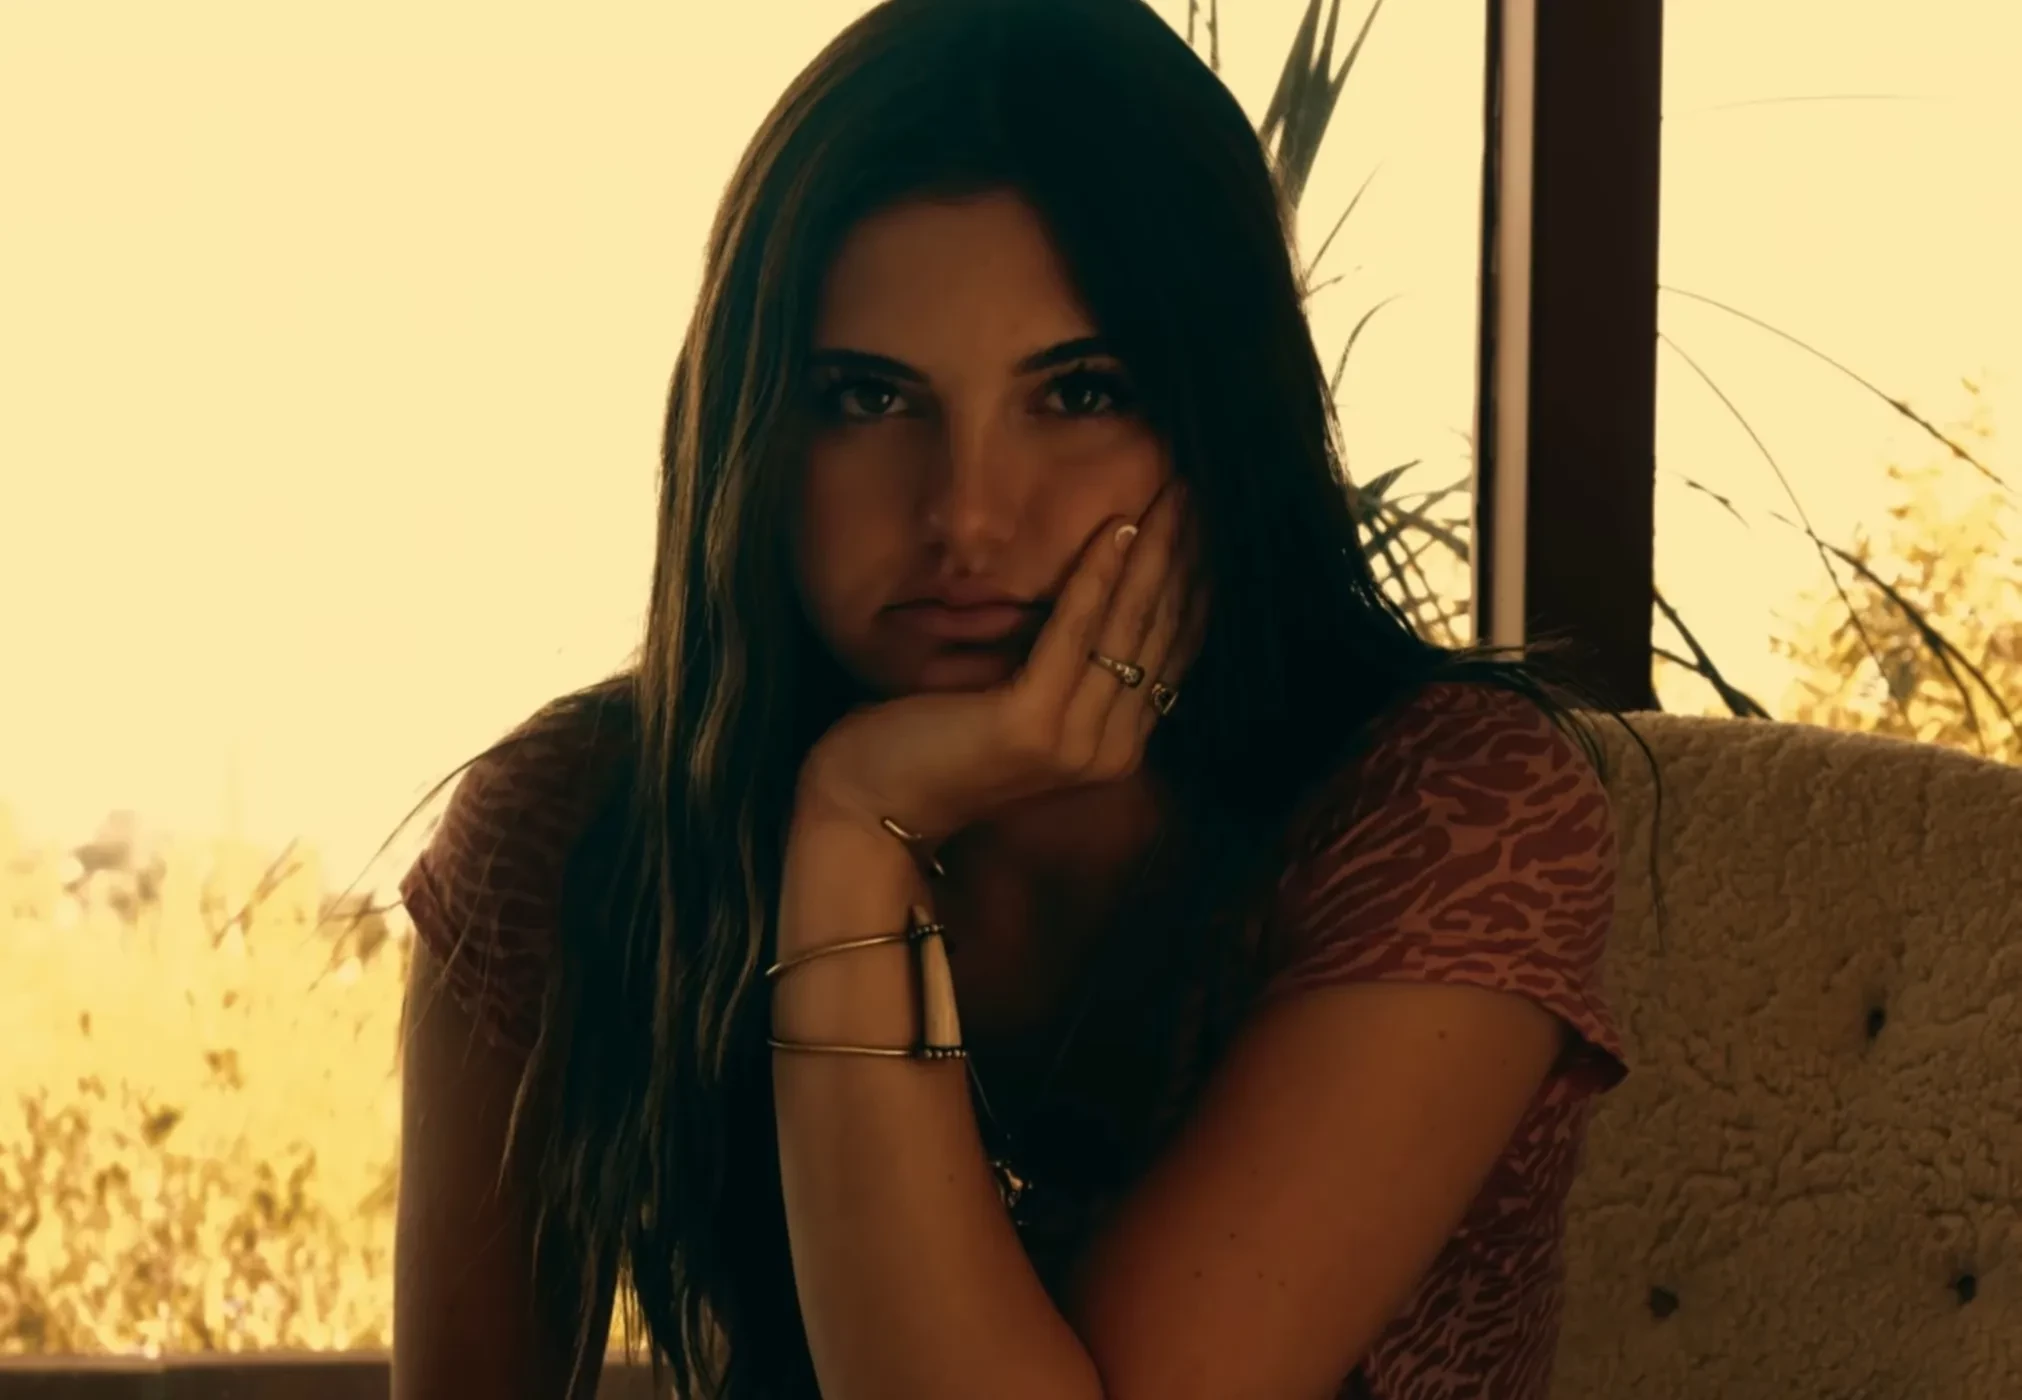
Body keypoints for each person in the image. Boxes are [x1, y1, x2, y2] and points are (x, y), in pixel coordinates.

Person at [389, 1, 1644, 1396]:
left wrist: (854, 831)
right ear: (748, 435)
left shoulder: (1452, 818)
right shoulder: (572, 824)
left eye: (1081, 392)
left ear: (1222, 421)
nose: (968, 518)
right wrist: (849, 832)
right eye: (866, 400)